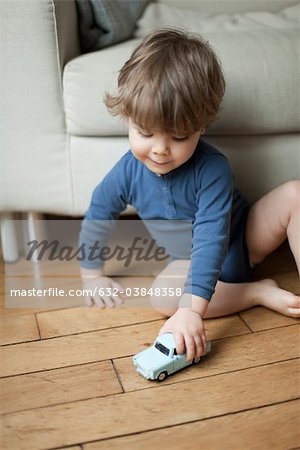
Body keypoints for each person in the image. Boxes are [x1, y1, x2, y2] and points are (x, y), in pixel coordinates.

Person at [79, 28, 300, 363]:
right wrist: (91, 275)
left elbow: (212, 236)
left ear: (202, 127)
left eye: (179, 136)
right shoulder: (126, 172)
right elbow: (99, 213)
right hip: (189, 262)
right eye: (145, 133)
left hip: (243, 240)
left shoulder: (213, 168)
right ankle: (254, 293)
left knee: (297, 193)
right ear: (128, 118)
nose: (159, 150)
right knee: (162, 297)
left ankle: (233, 290)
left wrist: (193, 310)